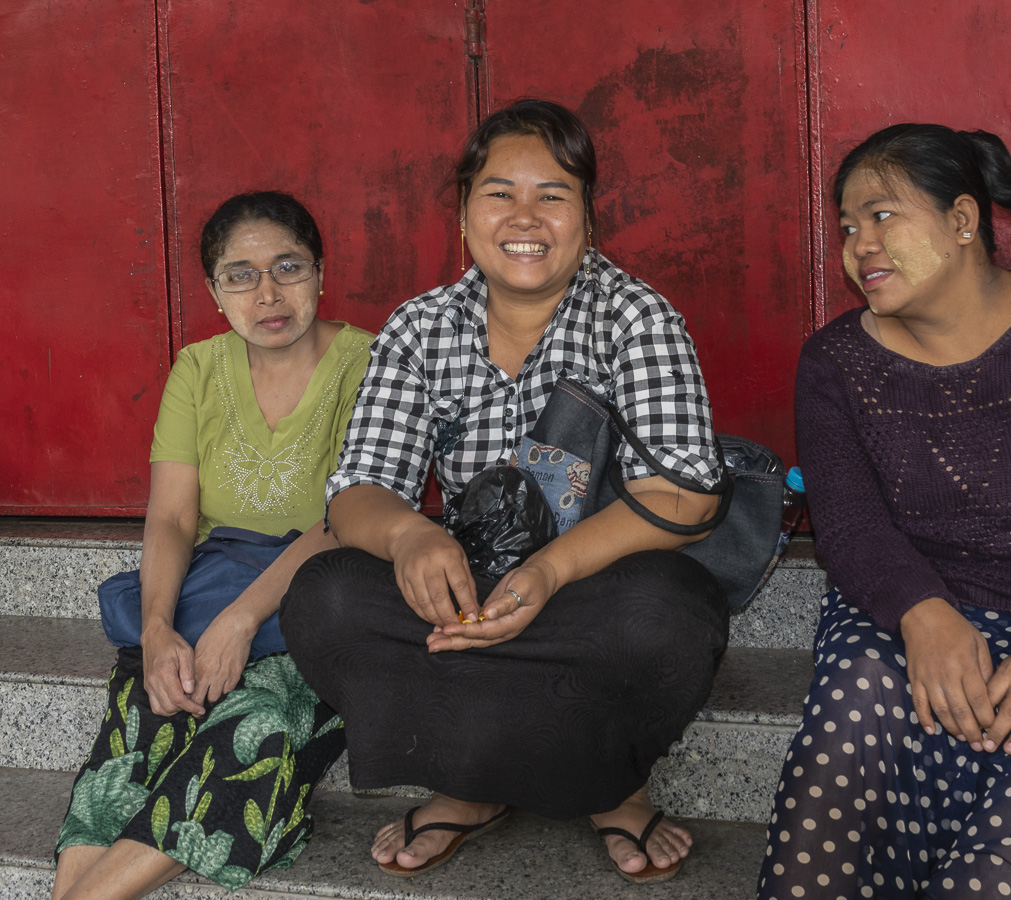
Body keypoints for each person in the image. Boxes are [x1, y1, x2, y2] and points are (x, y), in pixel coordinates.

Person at [279, 99, 729, 883]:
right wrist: (411, 537)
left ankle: (611, 787)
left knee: (668, 611)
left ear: (586, 216)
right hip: (463, 590)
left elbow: (687, 496)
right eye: (499, 194)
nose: (524, 217)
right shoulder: (420, 327)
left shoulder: (634, 317)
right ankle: (470, 783)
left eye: (552, 194)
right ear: (463, 215)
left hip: (588, 589)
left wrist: (548, 571)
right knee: (327, 596)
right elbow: (357, 490)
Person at [758, 124, 1011, 900]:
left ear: (960, 220)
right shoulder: (835, 362)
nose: (858, 245)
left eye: (882, 215)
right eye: (847, 227)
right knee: (846, 733)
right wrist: (923, 618)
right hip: (902, 610)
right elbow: (849, 527)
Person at [53, 191, 372, 899]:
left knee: (254, 731)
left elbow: (348, 516)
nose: (268, 293)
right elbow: (170, 518)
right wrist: (158, 630)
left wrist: (242, 620)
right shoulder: (197, 369)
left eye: (288, 267)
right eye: (240, 275)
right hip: (207, 593)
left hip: (320, 604)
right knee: (136, 730)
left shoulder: (371, 362)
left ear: (320, 273)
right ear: (214, 291)